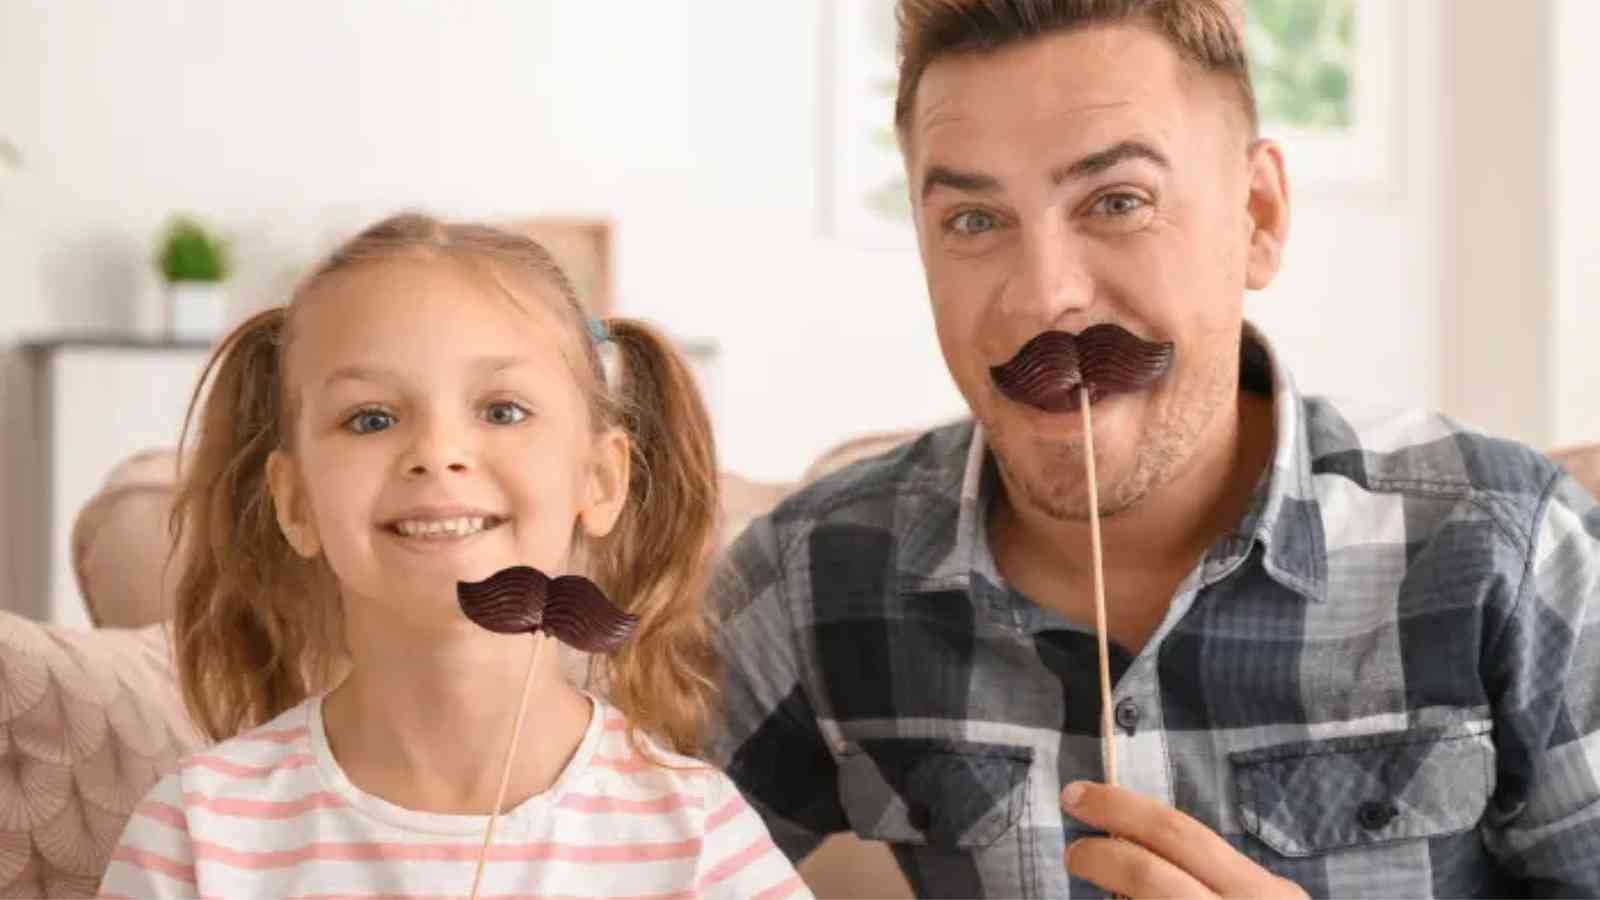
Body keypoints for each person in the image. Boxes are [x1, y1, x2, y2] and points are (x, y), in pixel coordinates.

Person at [707, 1, 1600, 897]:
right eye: (975, 220)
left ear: (1257, 216)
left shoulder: (1513, 551)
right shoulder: (810, 583)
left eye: (1118, 201)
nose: (1041, 298)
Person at [100, 213, 809, 899]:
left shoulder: (693, 837)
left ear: (600, 478)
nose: (437, 453)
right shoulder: (198, 833)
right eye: (370, 419)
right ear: (296, 503)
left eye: (503, 410)